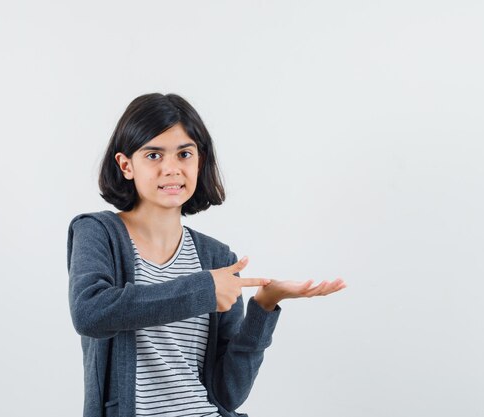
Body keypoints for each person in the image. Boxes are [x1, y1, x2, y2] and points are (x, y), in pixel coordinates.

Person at [67, 93, 346, 417]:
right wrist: (203, 291)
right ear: (126, 165)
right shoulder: (98, 232)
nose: (171, 168)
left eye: (184, 153)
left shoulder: (217, 258)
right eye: (154, 155)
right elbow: (91, 313)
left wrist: (264, 306)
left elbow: (228, 394)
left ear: (200, 161)